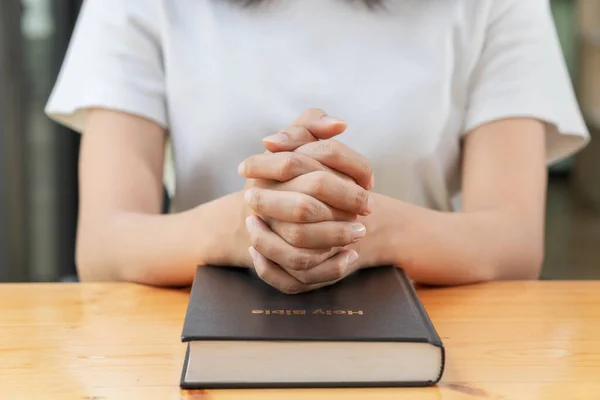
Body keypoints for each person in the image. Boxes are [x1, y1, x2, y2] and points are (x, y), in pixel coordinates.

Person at [45, 0, 589, 293]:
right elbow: (103, 244)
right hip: (192, 340)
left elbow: (514, 242)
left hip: (434, 337)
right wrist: (249, 225)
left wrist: (355, 229)